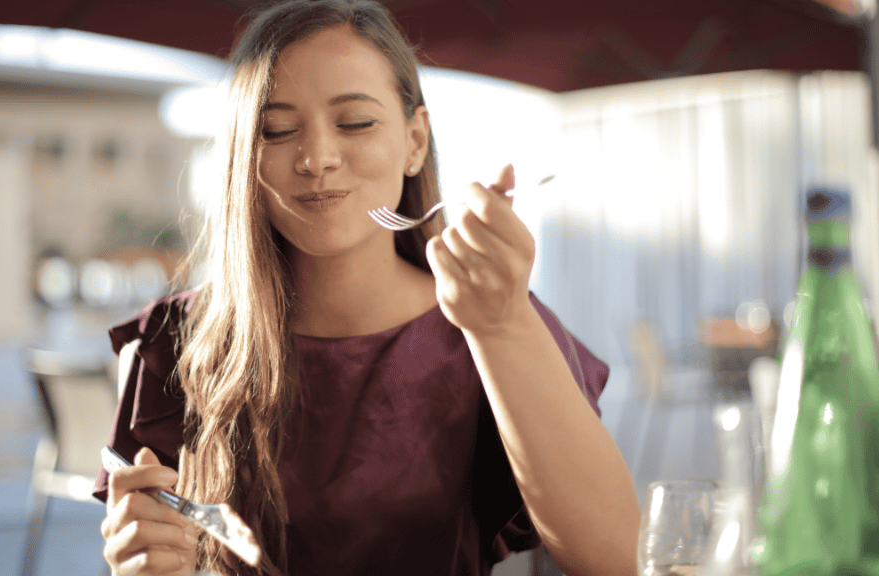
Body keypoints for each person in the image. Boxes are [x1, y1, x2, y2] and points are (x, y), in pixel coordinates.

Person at [94, 1, 640, 575]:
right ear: (243, 159)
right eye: (277, 130)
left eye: (355, 122)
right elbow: (158, 545)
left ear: (415, 142)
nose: (318, 159)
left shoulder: (489, 320)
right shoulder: (181, 340)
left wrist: (501, 325)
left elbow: (618, 559)